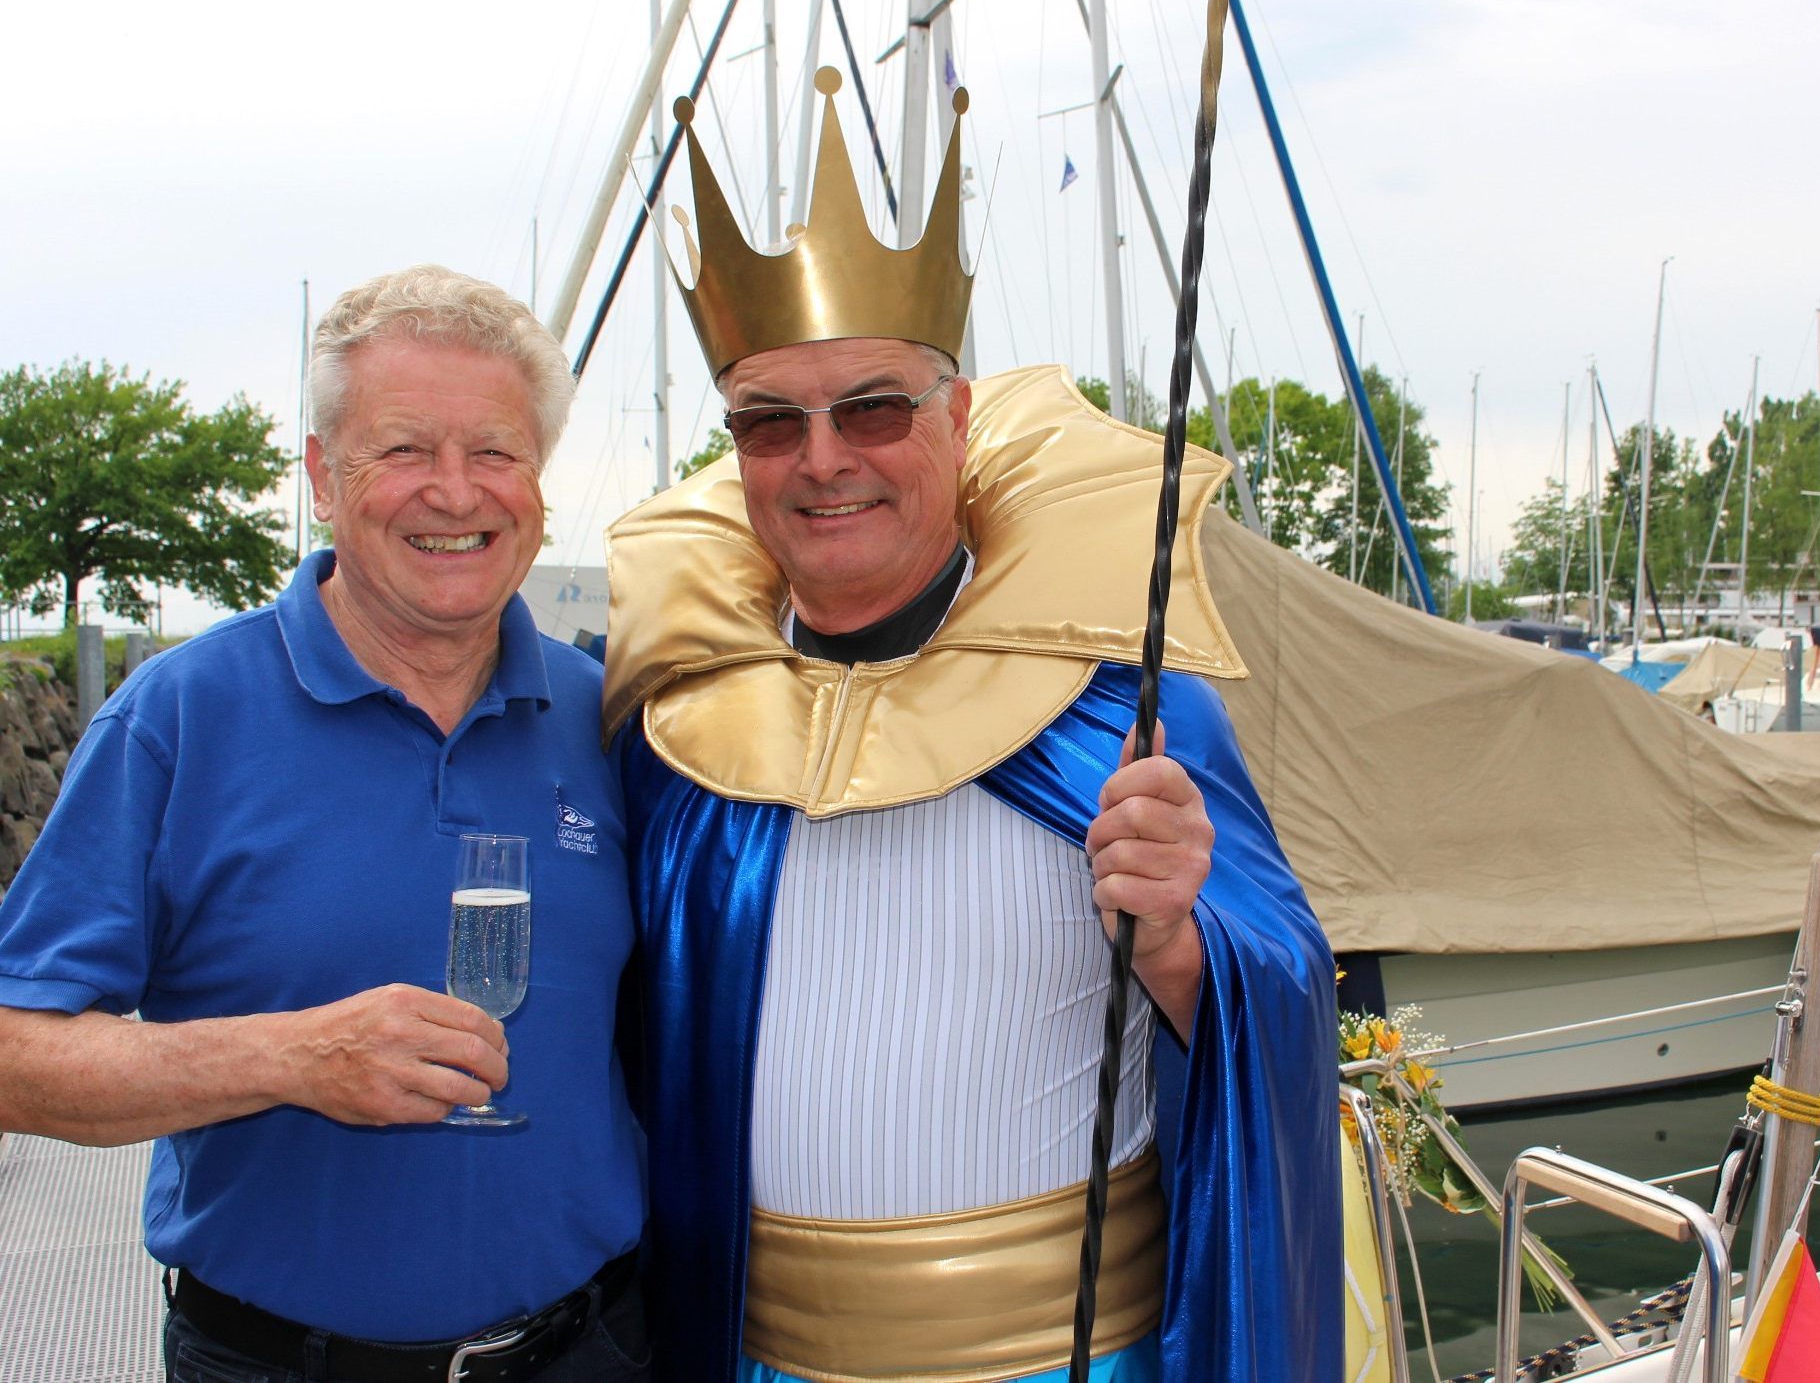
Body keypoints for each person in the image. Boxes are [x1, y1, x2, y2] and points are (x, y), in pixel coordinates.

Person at [604, 71, 1338, 1381]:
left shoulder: (1121, 713)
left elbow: (1275, 991)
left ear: (957, 419)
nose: (823, 459)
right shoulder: (680, 742)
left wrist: (1178, 937)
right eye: (770, 423)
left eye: (873, 409)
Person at [0, 265, 650, 1381]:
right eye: (403, 450)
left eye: (494, 452)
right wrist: (293, 1055)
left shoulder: (614, 716)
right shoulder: (178, 719)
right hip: (279, 1363)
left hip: (591, 1348)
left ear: (537, 483)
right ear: (321, 477)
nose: (456, 493)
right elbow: (16, 1055)